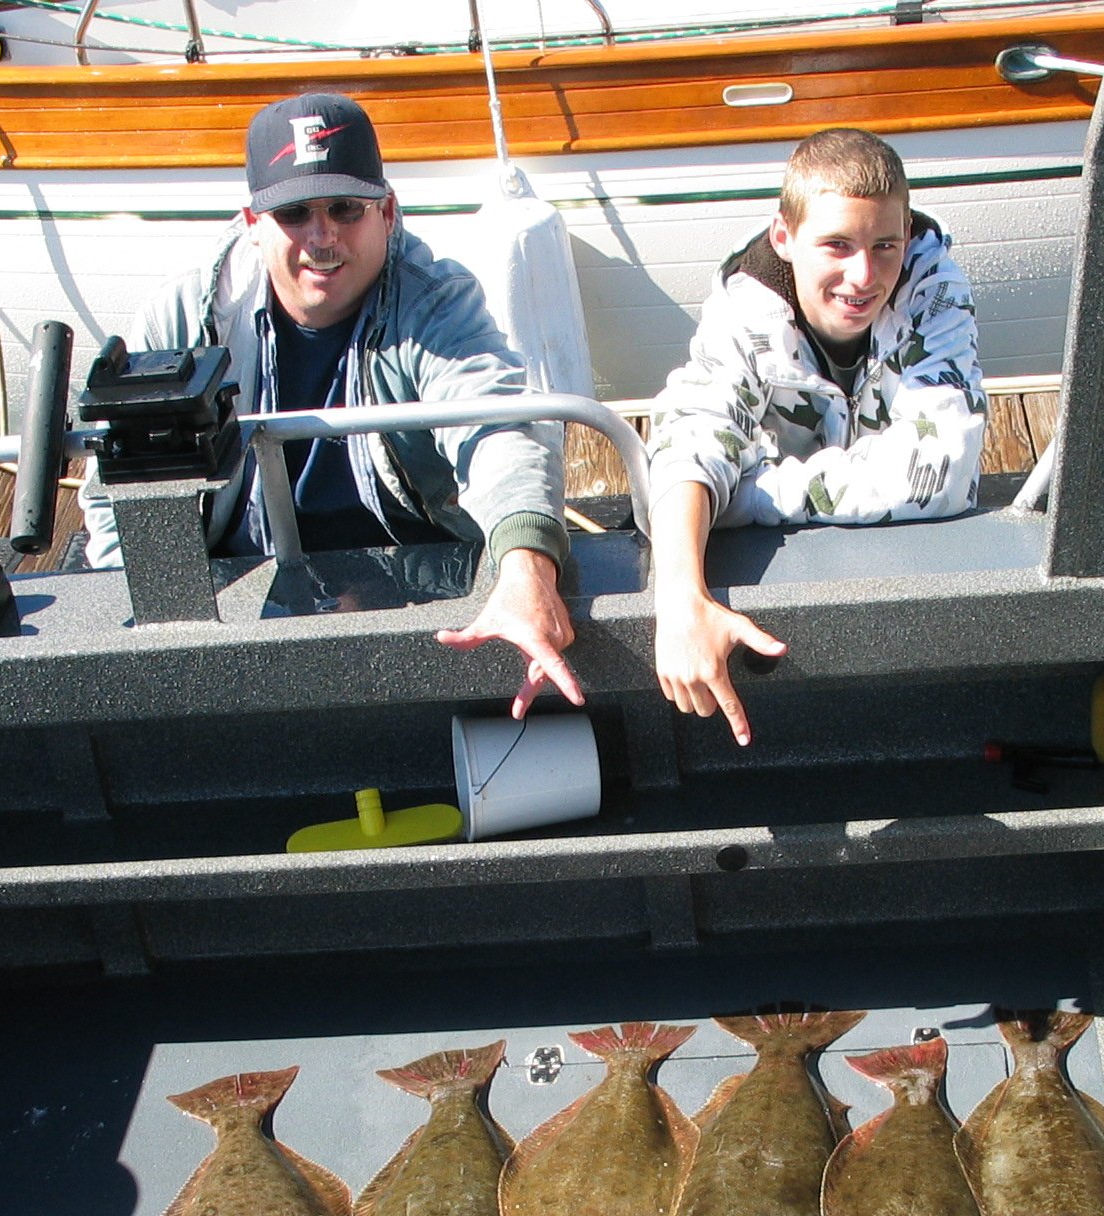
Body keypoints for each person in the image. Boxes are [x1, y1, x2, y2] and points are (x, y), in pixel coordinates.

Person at [81, 91, 579, 717]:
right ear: (252, 222)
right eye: (293, 213)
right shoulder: (182, 319)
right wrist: (140, 629)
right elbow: (113, 491)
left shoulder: (437, 303)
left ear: (388, 212)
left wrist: (526, 566)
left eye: (346, 208)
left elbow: (500, 425)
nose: (322, 238)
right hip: (242, 580)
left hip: (419, 571)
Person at [645, 127, 987, 744]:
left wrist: (747, 496)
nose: (863, 276)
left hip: (900, 565)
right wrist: (679, 600)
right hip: (784, 569)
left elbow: (941, 474)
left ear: (907, 234)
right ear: (785, 237)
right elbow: (689, 438)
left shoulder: (933, 288)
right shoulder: (744, 311)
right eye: (836, 245)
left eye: (885, 244)